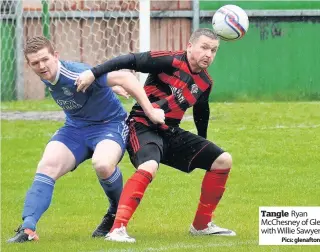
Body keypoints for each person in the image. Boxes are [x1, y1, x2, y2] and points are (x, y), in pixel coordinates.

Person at [76, 28, 235, 243]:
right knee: (149, 165)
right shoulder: (169, 60)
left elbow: (201, 111)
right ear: (190, 46)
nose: (209, 54)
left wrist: (203, 143)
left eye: (214, 50)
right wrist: (93, 73)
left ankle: (202, 225)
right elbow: (130, 60)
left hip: (170, 131)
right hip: (142, 125)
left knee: (222, 161)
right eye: (204, 47)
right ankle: (117, 229)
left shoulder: (205, 82)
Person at [7, 36, 165, 243]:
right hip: (75, 128)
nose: (41, 66)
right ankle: (27, 229)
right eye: (35, 63)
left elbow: (126, 78)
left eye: (45, 59)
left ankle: (115, 213)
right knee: (47, 166)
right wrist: (108, 85)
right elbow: (94, 75)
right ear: (29, 65)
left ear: (56, 56)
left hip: (110, 124)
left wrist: (150, 111)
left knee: (102, 164)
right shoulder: (47, 74)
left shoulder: (72, 72)